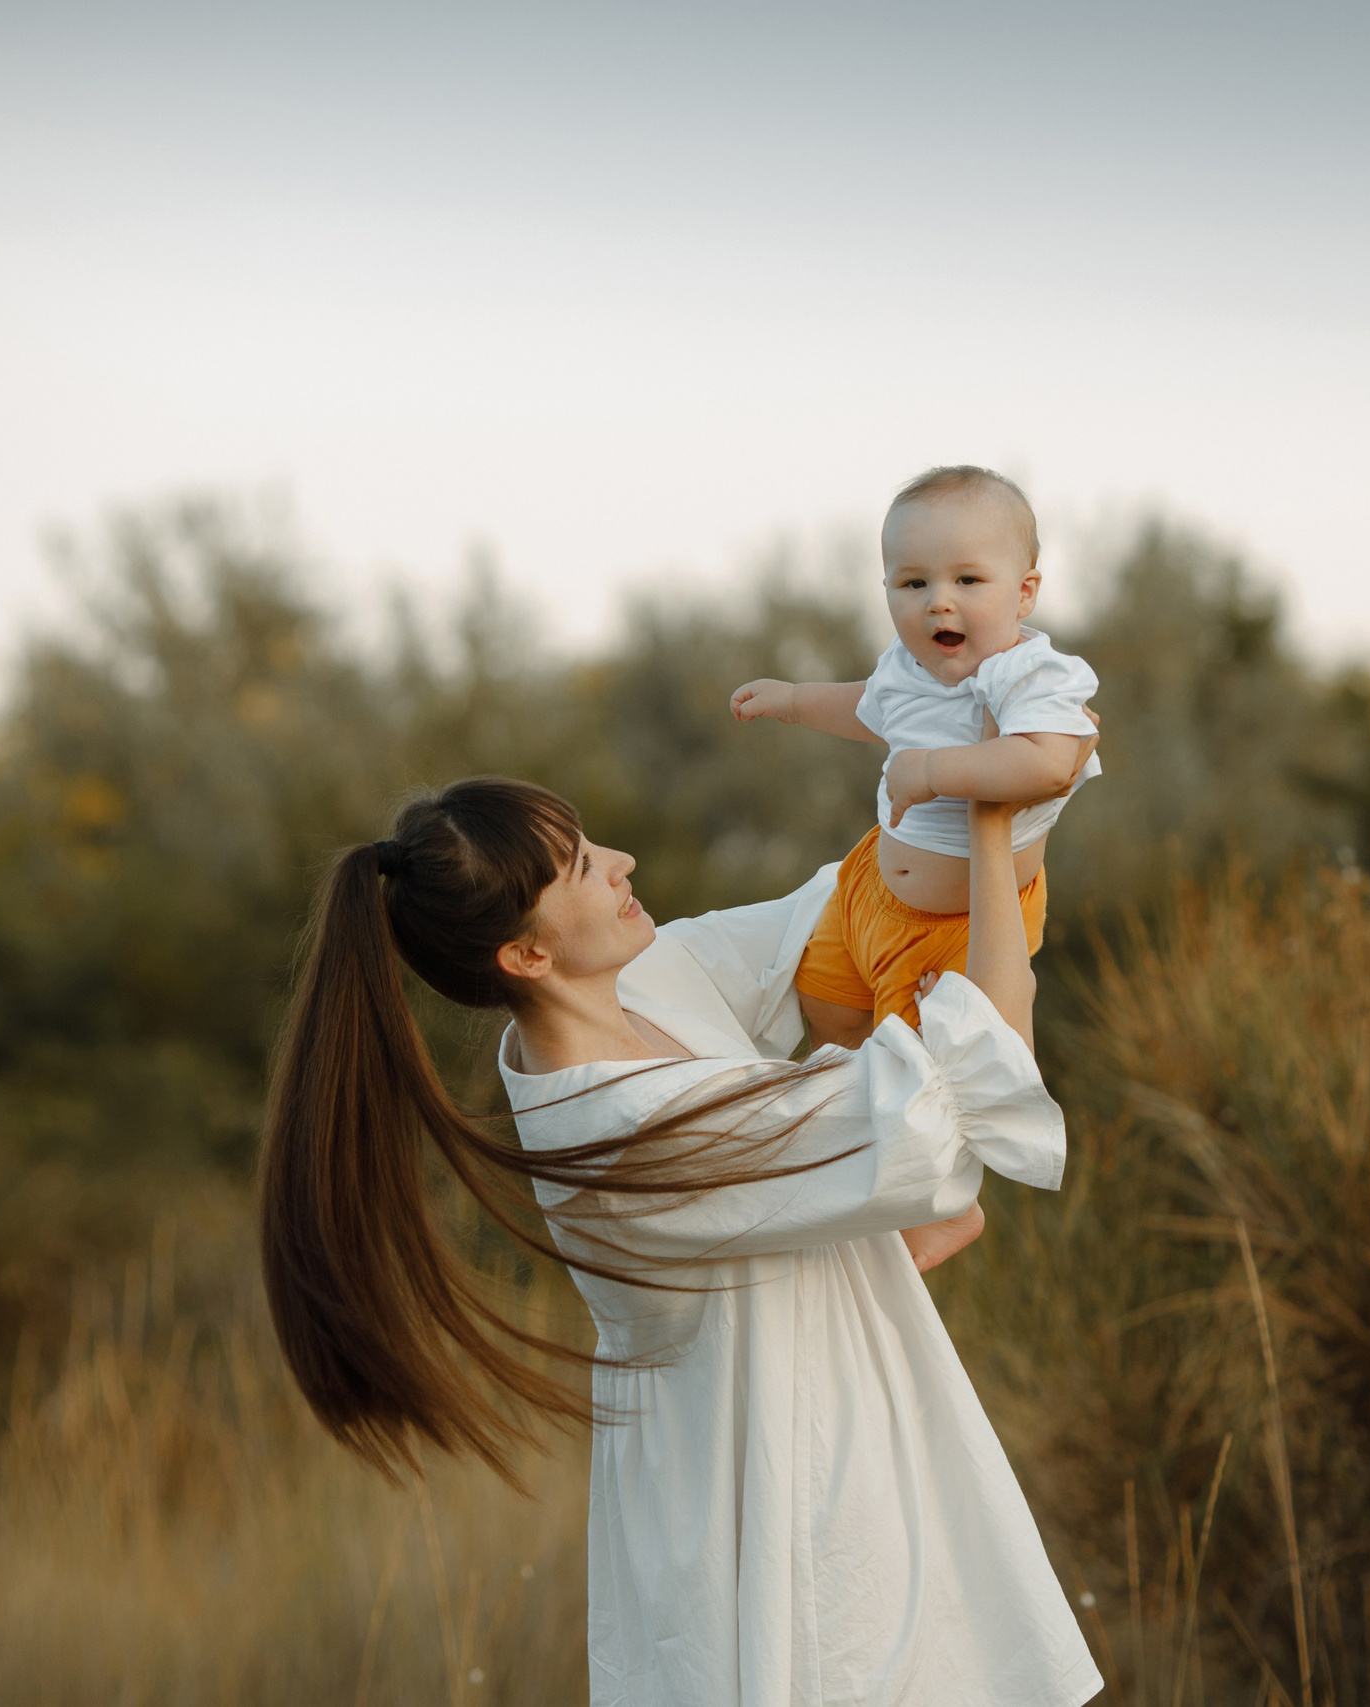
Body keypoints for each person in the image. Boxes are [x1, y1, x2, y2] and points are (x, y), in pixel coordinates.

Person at [255, 768, 1103, 1707]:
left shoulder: (647, 984)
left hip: (839, 1448)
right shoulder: (622, 1132)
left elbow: (835, 914)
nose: (621, 863)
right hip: (785, 1507)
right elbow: (949, 1102)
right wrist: (988, 834)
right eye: (580, 865)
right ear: (528, 957)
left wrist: (964, 755)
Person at [730, 465, 1101, 1052]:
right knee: (825, 1005)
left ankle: (864, 1128)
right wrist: (796, 701)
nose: (938, 603)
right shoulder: (907, 666)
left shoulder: (1029, 674)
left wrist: (932, 771)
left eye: (968, 580)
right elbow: (872, 708)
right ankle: (839, 1093)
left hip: (964, 924)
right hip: (872, 886)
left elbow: (1052, 762)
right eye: (913, 584)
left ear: (1024, 592)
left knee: (914, 1066)